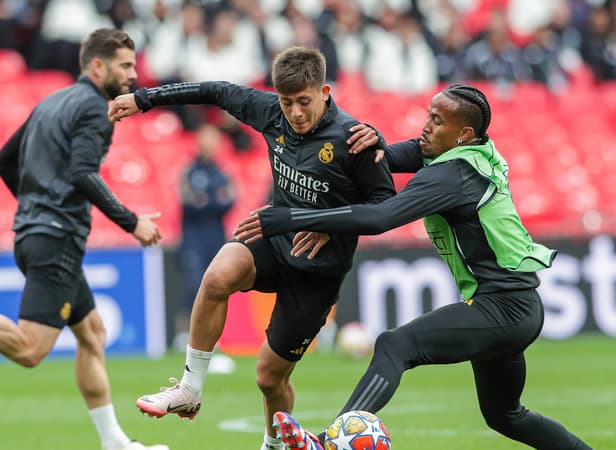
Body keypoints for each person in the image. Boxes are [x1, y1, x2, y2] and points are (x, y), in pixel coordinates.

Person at [235, 84, 593, 450]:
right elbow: (375, 160)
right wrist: (370, 141)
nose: (426, 126)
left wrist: (291, 218)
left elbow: (380, 217)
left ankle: (328, 443)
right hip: (515, 306)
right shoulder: (466, 152)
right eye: (428, 116)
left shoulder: (452, 175)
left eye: (437, 121)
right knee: (505, 415)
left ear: (463, 133)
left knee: (396, 344)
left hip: (504, 306)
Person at [107, 46, 395, 450]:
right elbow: (215, 90)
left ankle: (274, 446)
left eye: (304, 102)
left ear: (325, 92)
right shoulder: (271, 113)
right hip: (273, 240)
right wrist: (144, 98)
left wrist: (327, 225)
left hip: (317, 271)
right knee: (217, 276)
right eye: (287, 102)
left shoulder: (354, 139)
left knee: (269, 378)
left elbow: (385, 209)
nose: (295, 113)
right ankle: (189, 388)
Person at [0, 28, 166, 450]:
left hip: (38, 234)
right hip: (54, 239)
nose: (132, 74)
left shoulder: (51, 101)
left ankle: (114, 442)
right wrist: (132, 222)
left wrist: (36, 206)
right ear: (97, 66)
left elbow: (5, 160)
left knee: (92, 334)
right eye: (124, 66)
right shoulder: (95, 108)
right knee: (30, 351)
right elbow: (82, 173)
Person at [176, 123, 236, 340]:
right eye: (206, 139)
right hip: (193, 239)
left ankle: (212, 337)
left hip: (216, 238)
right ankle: (184, 334)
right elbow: (189, 202)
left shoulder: (223, 173)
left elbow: (229, 201)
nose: (210, 144)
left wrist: (206, 201)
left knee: (217, 287)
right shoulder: (189, 171)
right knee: (193, 286)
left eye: (213, 139)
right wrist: (213, 201)